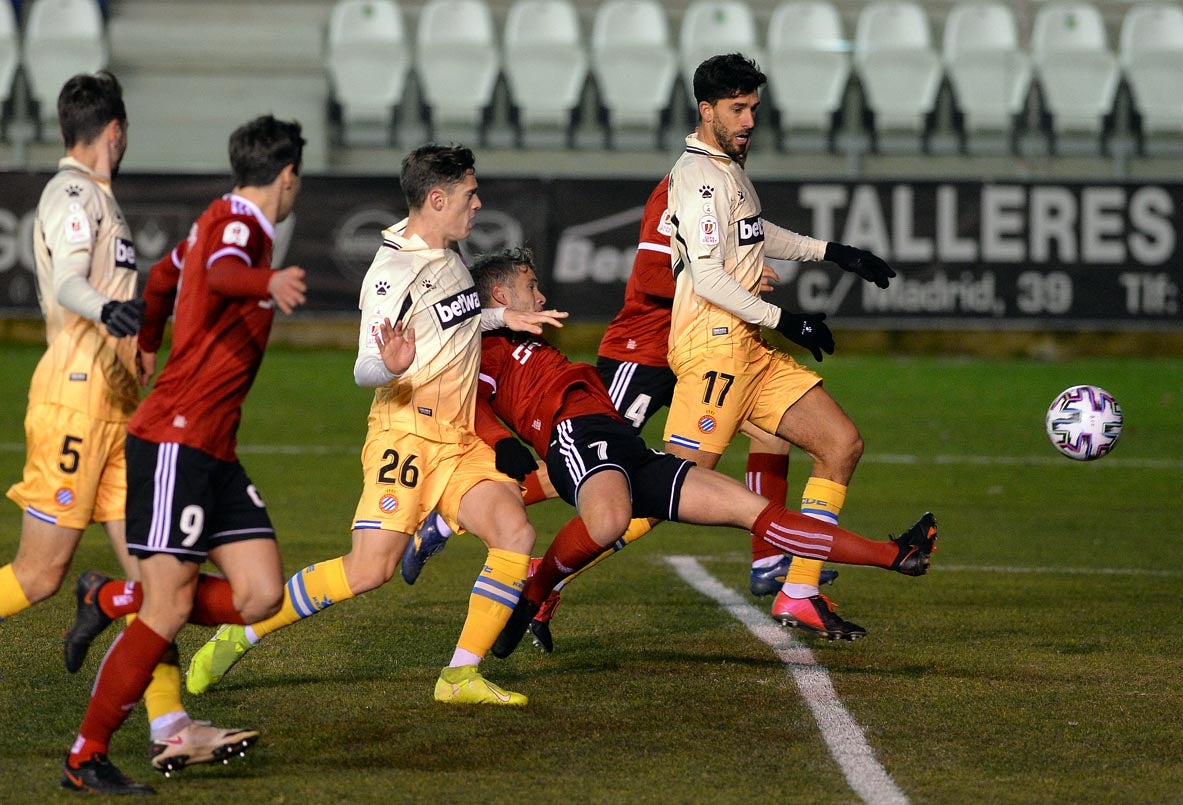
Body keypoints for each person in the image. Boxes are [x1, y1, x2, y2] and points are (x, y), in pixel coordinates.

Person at [181, 144, 568, 705]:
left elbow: (453, 316)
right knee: (369, 570)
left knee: (514, 532)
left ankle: (458, 676)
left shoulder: (449, 254)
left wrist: (502, 316)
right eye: (469, 194)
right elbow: (365, 366)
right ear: (437, 198)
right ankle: (241, 633)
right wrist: (389, 364)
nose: (478, 204)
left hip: (458, 441)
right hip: (405, 435)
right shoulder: (391, 272)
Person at [399, 177, 837, 653]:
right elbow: (653, 277)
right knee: (600, 467)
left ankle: (768, 561)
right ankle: (455, 521)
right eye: (739, 109)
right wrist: (732, 276)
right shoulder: (681, 187)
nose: (748, 122)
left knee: (765, 436)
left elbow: (744, 248)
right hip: (645, 354)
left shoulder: (731, 194)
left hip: (701, 353)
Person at [454, 247, 935, 660]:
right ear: (499, 296)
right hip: (572, 432)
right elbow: (459, 373)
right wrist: (504, 446)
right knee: (607, 521)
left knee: (756, 512)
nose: (540, 296)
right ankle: (534, 589)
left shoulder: (526, 335)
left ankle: (894, 556)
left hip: (625, 442)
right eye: (530, 286)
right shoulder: (484, 347)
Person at [0, 71, 252, 795]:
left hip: (117, 407)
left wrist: (137, 344)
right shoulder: (73, 194)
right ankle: (94, 602)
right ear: (115, 131)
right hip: (75, 402)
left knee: (156, 580)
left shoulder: (102, 198)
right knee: (38, 573)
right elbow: (74, 279)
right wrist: (111, 316)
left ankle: (170, 727)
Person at [60, 114, 309, 795]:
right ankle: (85, 755)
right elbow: (227, 272)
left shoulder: (209, 223)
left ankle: (111, 594)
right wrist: (267, 282)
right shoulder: (240, 226)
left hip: (212, 446)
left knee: (260, 593)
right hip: (175, 438)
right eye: (296, 183)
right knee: (167, 611)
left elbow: (164, 279)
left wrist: (148, 341)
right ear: (287, 177)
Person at [660, 53, 898, 640]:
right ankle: (543, 579)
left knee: (841, 444)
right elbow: (711, 277)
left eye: (754, 110)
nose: (748, 121)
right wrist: (786, 318)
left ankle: (799, 591)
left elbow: (755, 233)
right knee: (660, 493)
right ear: (706, 110)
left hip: (749, 349)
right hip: (712, 348)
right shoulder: (697, 177)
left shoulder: (730, 169)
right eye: (737, 109)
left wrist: (834, 252)